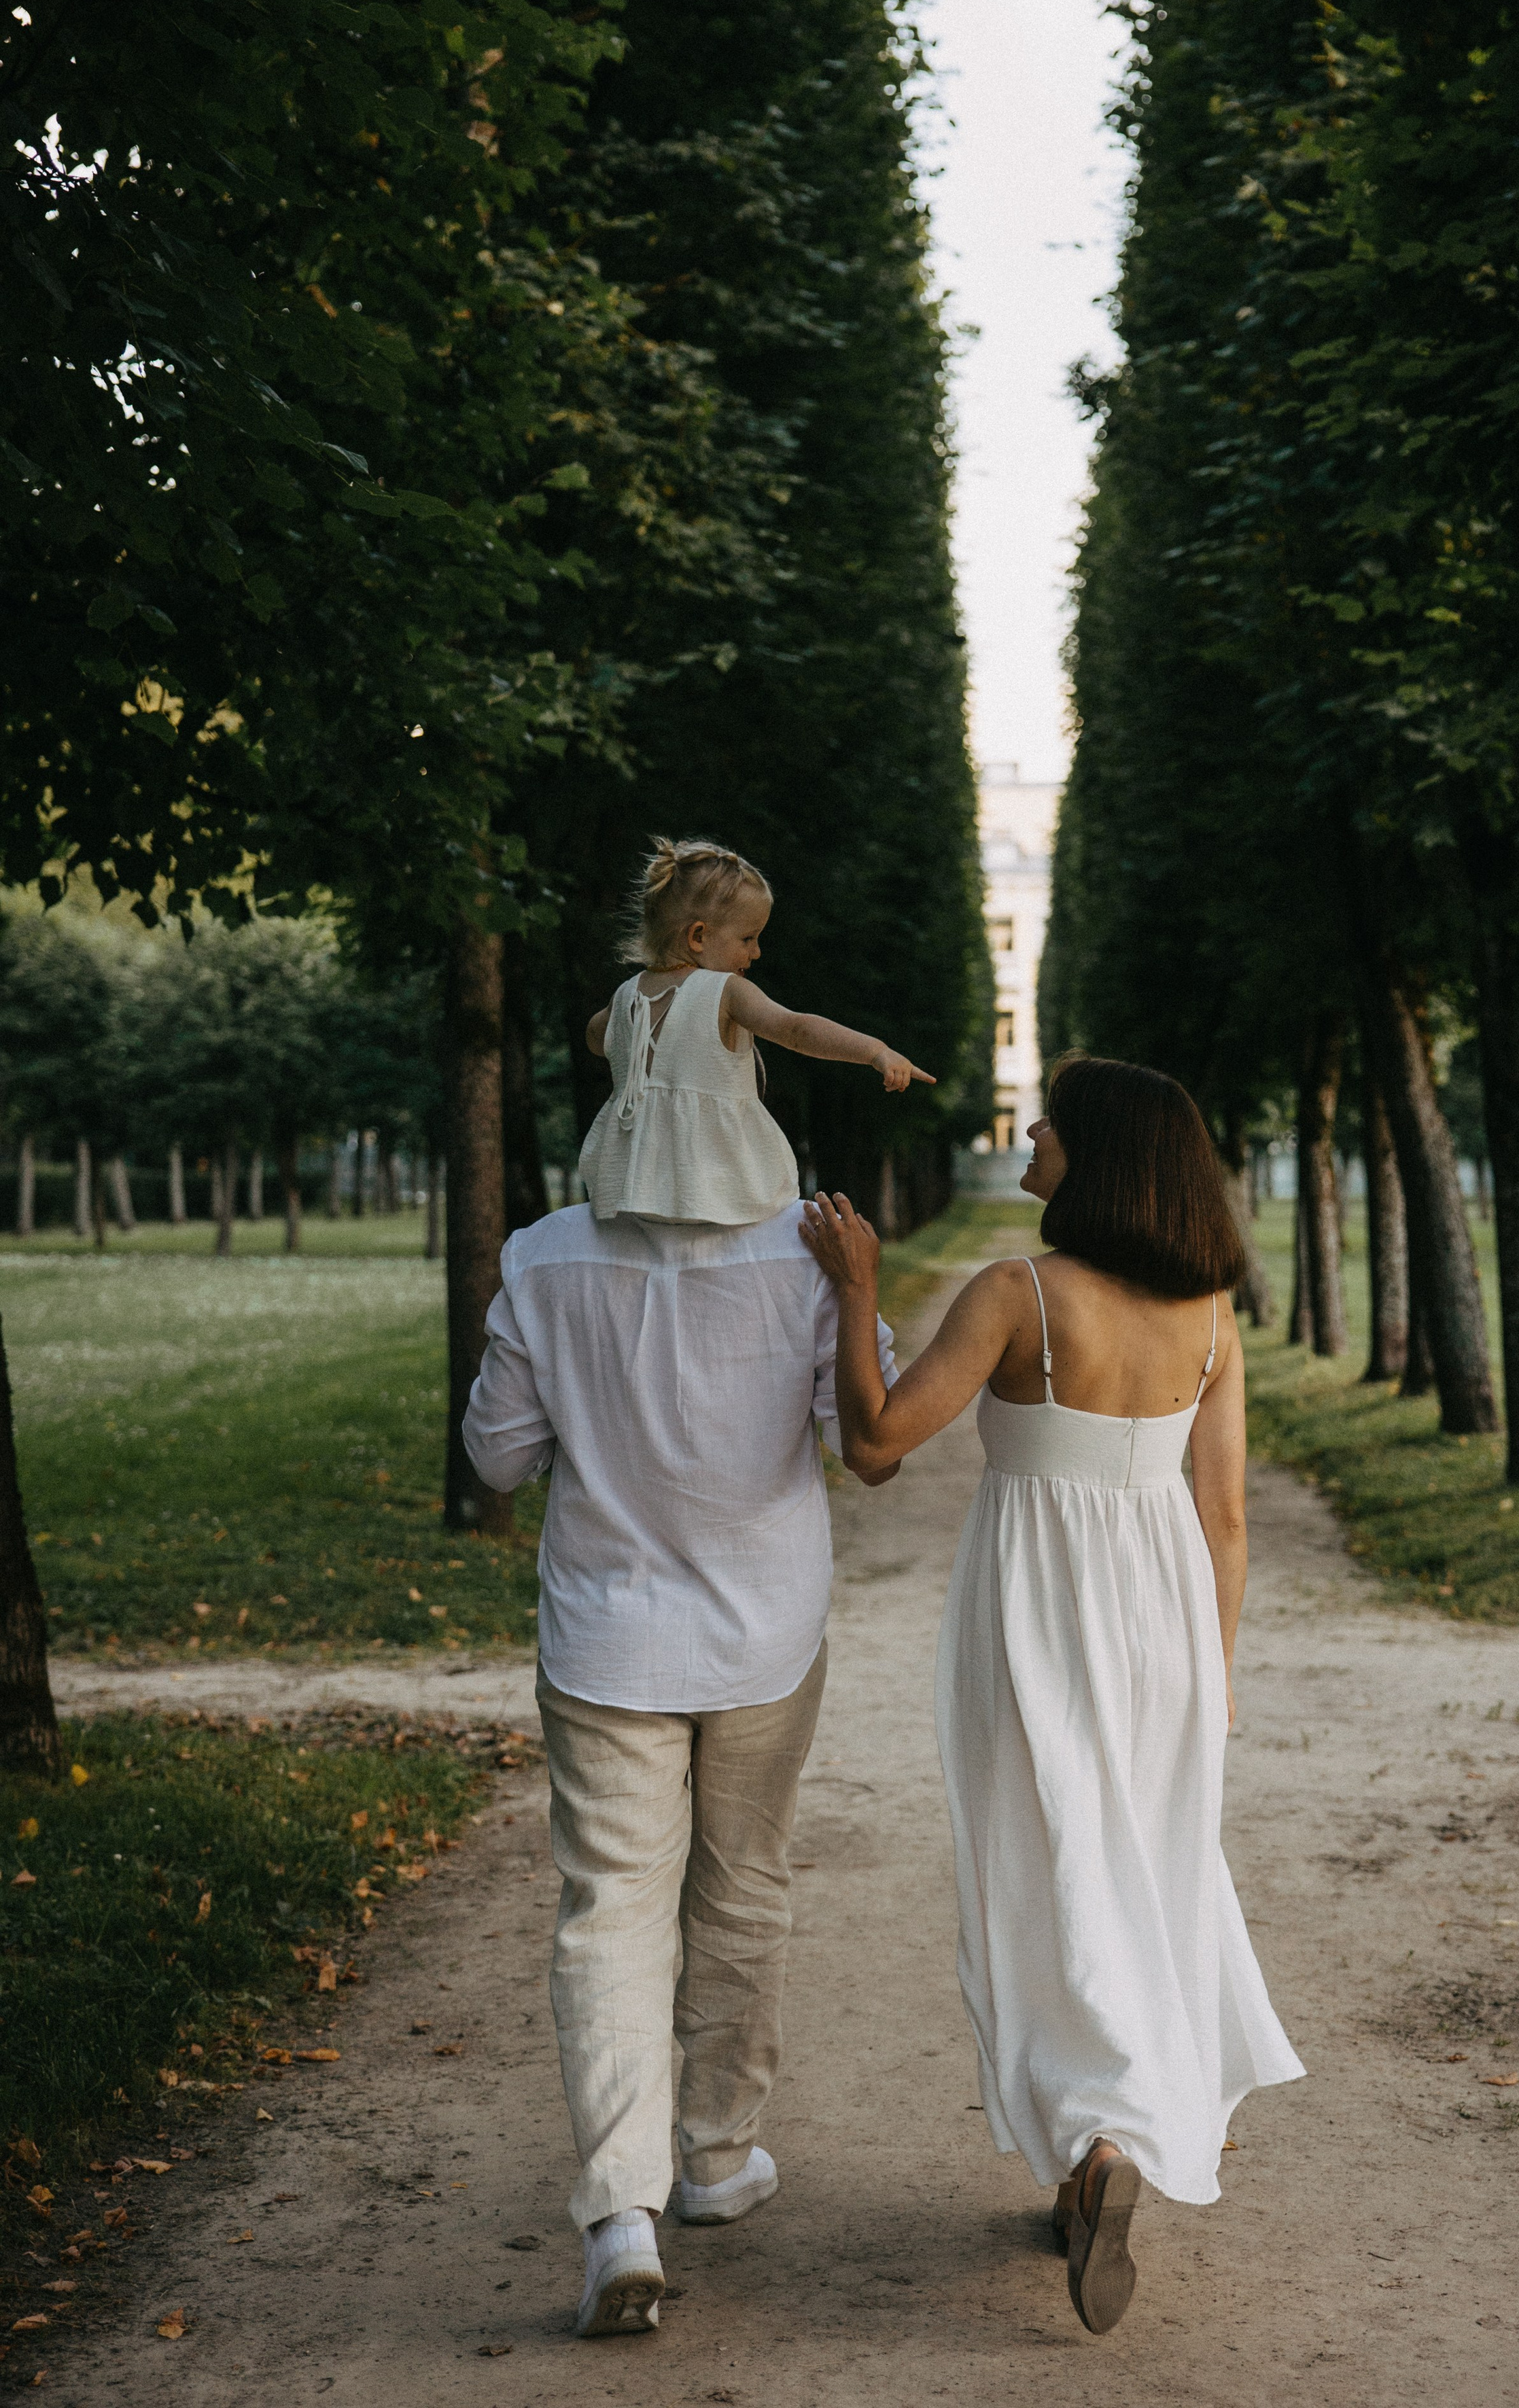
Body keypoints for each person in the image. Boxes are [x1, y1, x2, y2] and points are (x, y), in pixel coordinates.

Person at [800, 1054, 1304, 2338]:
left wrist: (857, 1292)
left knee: (1039, 1871)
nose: (1029, 1132)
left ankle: (1096, 2142)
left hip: (1034, 1614)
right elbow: (1228, 1518)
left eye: (1050, 1124)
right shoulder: (1211, 1316)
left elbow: (873, 1443)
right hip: (1172, 1625)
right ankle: (1107, 2138)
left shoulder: (1019, 1294)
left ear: (1101, 1156)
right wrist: (1220, 1675)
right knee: (1140, 1872)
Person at [461, 1181, 899, 2335]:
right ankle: (715, 2157)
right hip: (765, 1630)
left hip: (607, 1637)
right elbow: (865, 1414)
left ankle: (620, 2215)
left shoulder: (544, 1255)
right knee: (744, 1883)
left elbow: (500, 1460)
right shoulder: (805, 1248)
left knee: (609, 1909)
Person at [578, 835, 934, 1227]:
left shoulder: (625, 995)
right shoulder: (726, 991)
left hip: (635, 1182)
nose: (757, 952)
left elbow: (597, 1039)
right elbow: (795, 1028)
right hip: (713, 1181)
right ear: (698, 937)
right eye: (748, 939)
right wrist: (875, 1050)